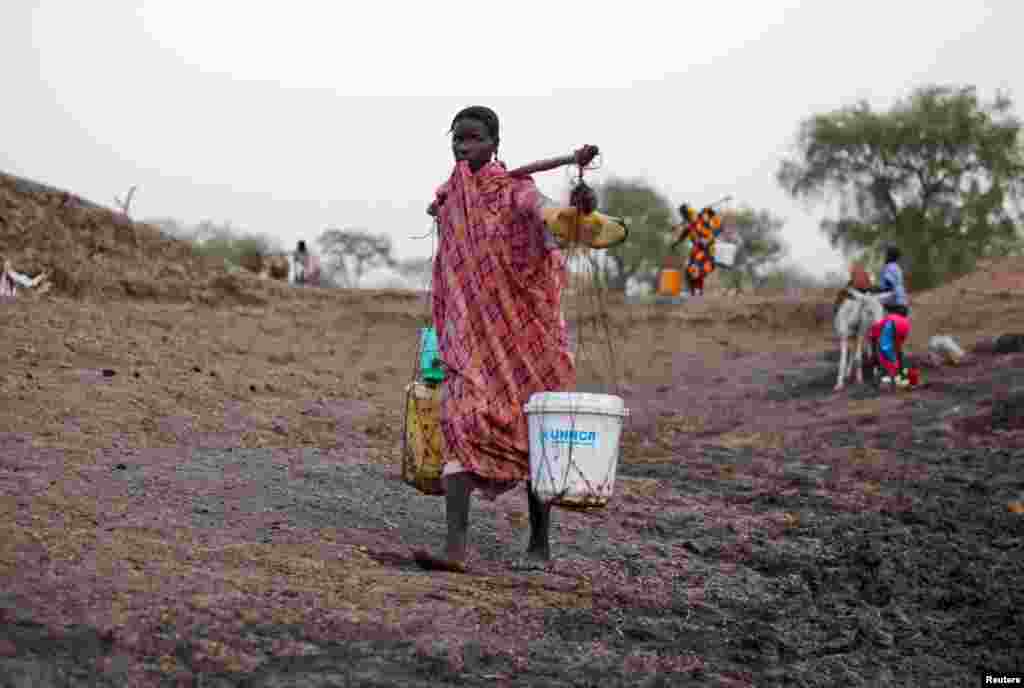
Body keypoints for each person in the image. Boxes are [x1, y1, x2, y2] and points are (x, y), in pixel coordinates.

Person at [413, 105, 623, 573]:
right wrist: (440, 208)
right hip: (470, 339)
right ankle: (455, 548)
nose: (463, 146)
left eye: (473, 138)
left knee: (536, 434)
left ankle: (539, 545)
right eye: (458, 138)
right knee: (462, 420)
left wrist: (577, 210)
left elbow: (547, 215)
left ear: (494, 144)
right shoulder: (453, 195)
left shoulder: (518, 191)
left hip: (526, 339)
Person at [670, 204, 724, 296]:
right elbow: (685, 232)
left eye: (684, 215)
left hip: (707, 248)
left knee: (697, 269)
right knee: (689, 270)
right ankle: (694, 292)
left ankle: (698, 291)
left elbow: (718, 227)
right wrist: (677, 242)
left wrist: (709, 212)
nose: (684, 218)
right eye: (683, 216)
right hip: (697, 249)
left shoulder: (701, 218)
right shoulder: (690, 223)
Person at [867, 310, 911, 387]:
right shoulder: (901, 319)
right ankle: (902, 378)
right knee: (897, 355)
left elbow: (882, 344)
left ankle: (879, 382)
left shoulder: (876, 328)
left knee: (887, 359)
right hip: (904, 326)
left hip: (892, 325)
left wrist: (876, 354)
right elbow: (898, 342)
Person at [876, 245, 909, 317]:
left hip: (894, 306)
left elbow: (889, 286)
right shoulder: (897, 268)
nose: (885, 257)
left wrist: (875, 289)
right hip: (903, 305)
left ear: (890, 256)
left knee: (872, 302)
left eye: (886, 255)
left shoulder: (889, 267)